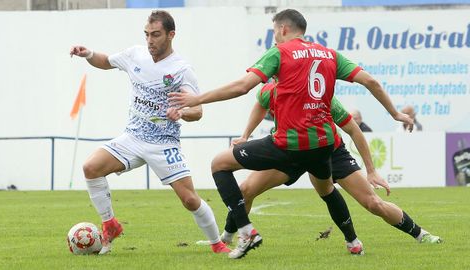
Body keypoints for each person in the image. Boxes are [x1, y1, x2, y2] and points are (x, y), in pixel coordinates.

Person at [169, 9, 413, 259]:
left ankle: (246, 231)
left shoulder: (280, 53)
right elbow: (371, 82)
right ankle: (353, 243)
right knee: (327, 190)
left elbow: (243, 87)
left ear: (283, 29)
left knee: (219, 163)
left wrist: (197, 98)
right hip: (323, 146)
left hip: (289, 146)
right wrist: (394, 113)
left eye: (275, 31)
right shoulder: (329, 55)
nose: (275, 36)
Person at [69, 10, 229, 255]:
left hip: (164, 144)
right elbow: (106, 61)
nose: (150, 40)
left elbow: (198, 110)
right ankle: (110, 224)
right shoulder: (136, 55)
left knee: (189, 200)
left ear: (171, 35)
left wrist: (182, 113)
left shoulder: (181, 70)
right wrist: (88, 54)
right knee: (90, 167)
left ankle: (218, 244)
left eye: (156, 35)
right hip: (132, 137)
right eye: (147, 34)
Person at [213, 82, 442, 251]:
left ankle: (420, 234)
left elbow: (353, 129)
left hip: (329, 151)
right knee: (246, 190)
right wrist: (245, 135)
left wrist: (371, 170)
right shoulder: (269, 91)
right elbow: (260, 105)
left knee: (373, 203)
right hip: (289, 152)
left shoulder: (320, 96)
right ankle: (226, 238)